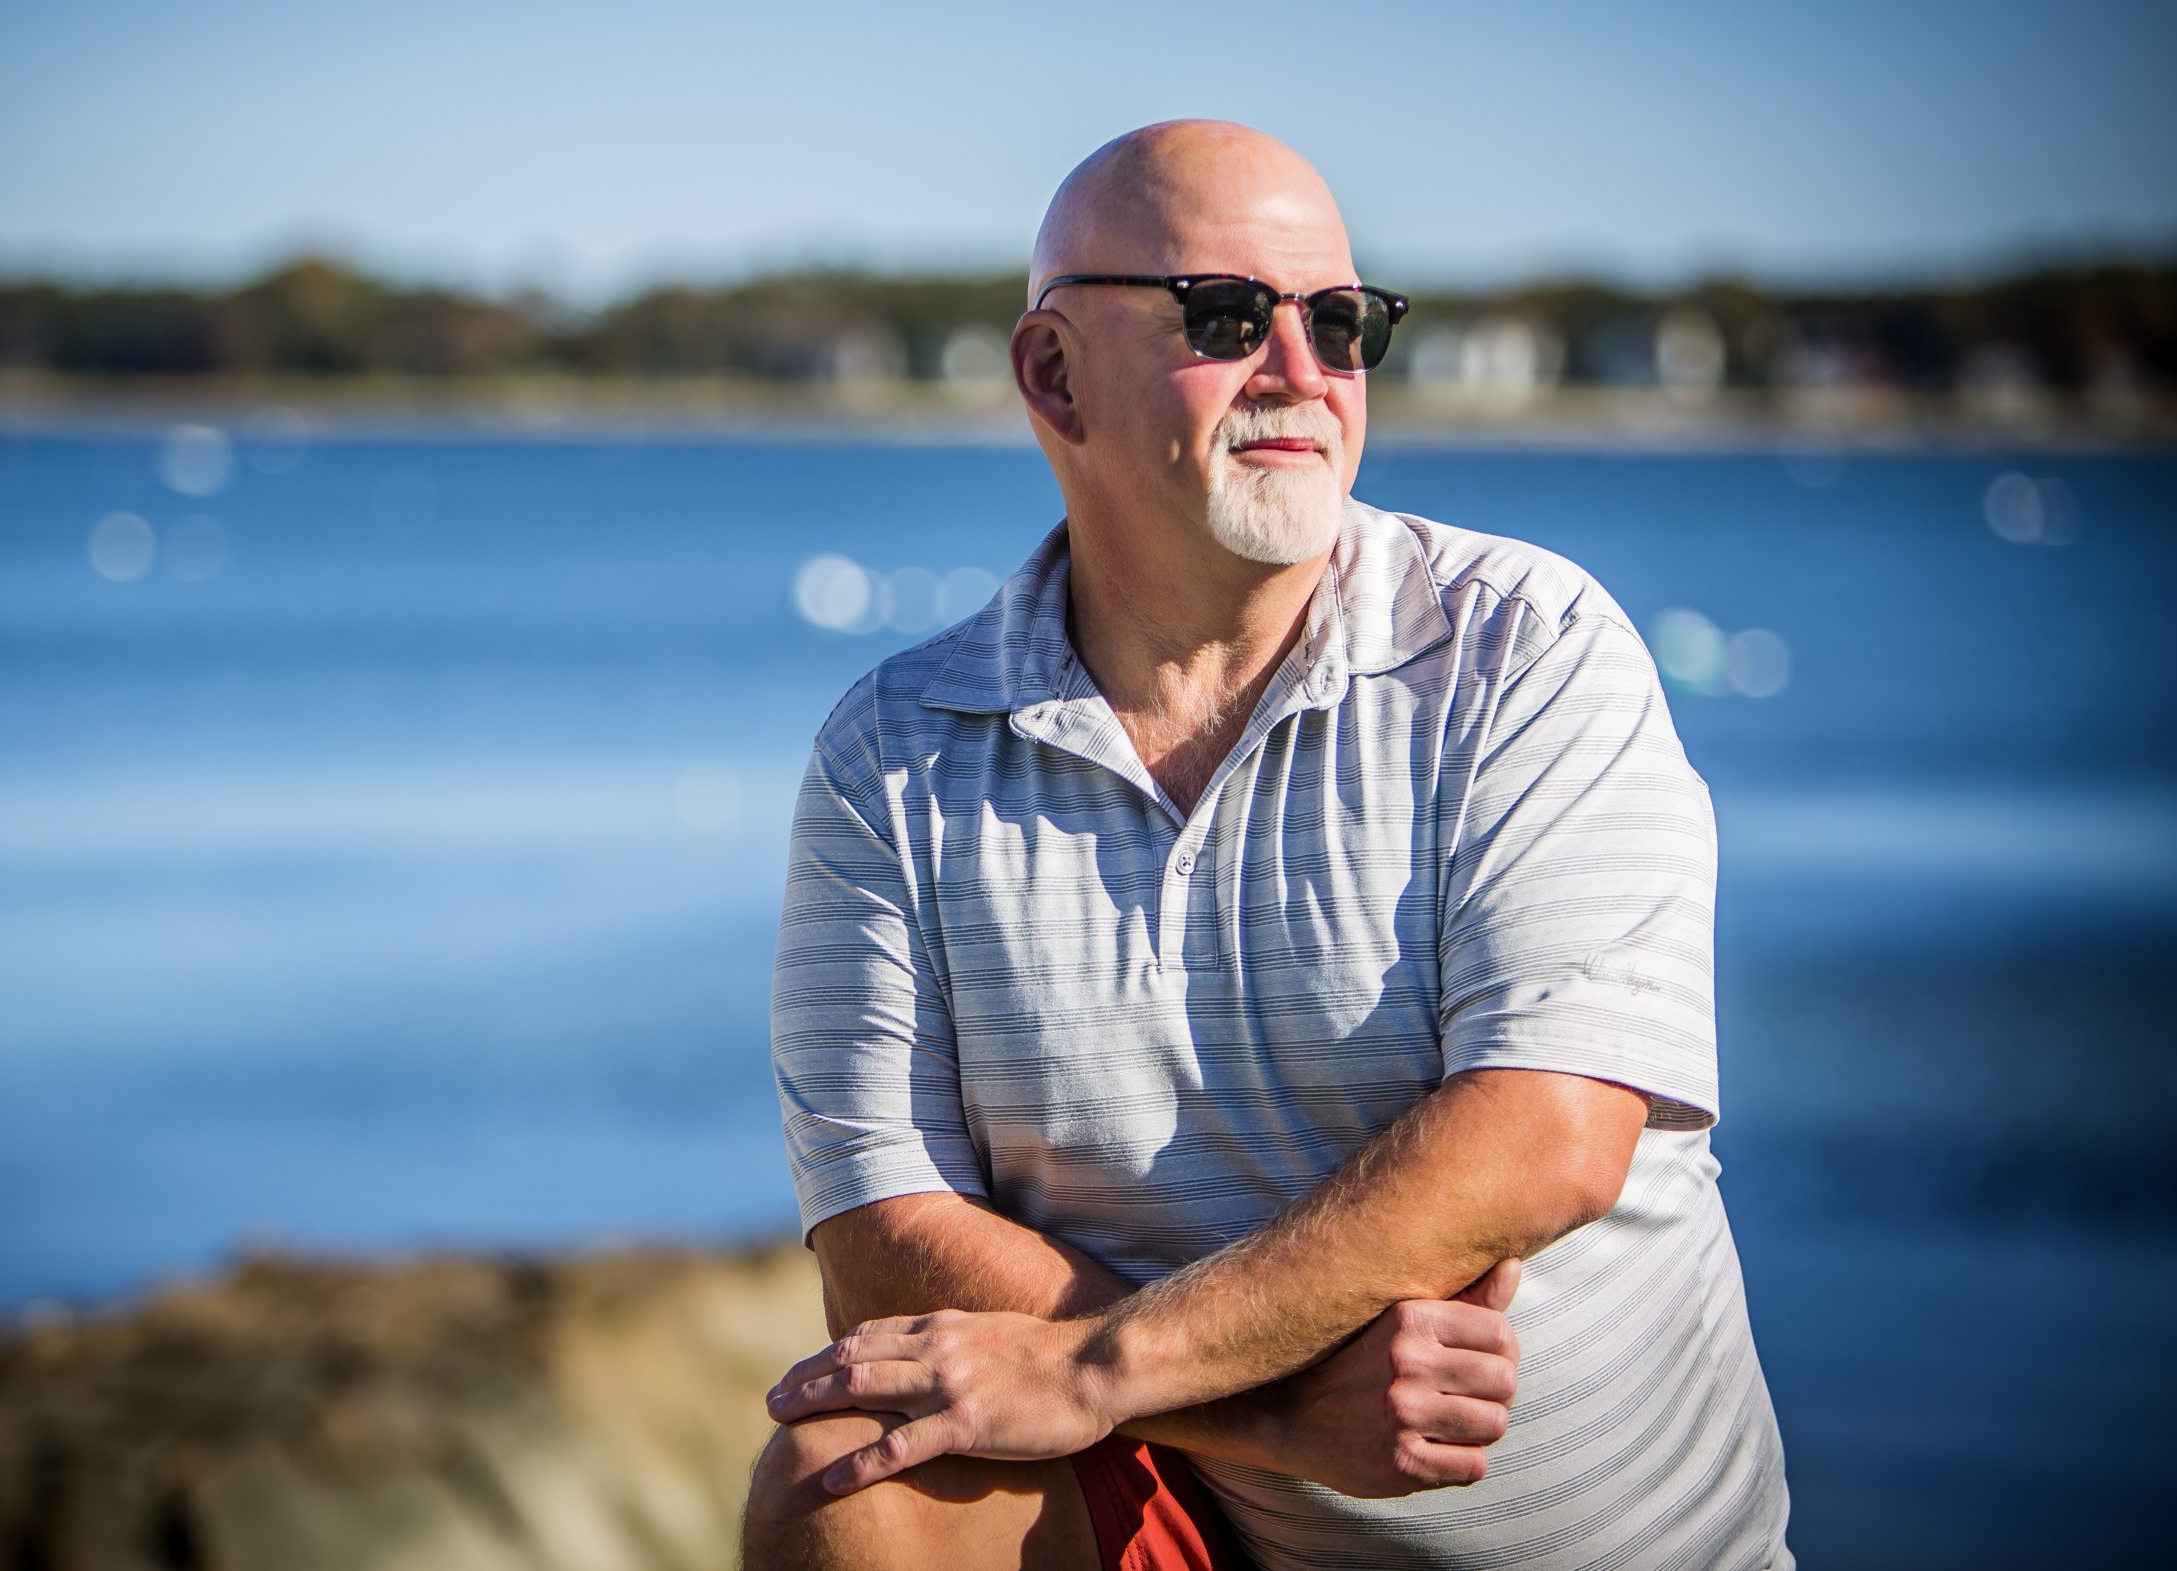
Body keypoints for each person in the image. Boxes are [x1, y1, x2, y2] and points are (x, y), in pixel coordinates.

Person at [742, 120, 1791, 1570]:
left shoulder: (1524, 645)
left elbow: (1550, 1135)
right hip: (1214, 1537)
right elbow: (880, 1241)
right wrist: (1279, 1417)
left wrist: (1104, 1367)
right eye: (1227, 318)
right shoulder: (894, 755)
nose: (1301, 372)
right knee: (849, 1474)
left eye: (1343, 324)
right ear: (1054, 376)